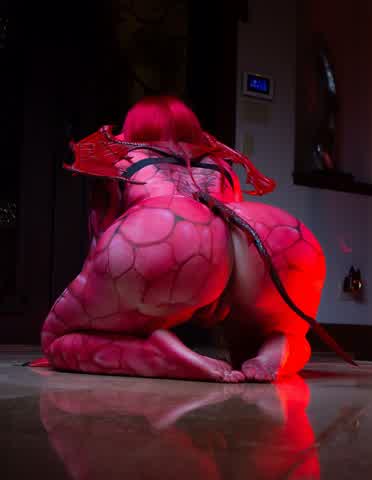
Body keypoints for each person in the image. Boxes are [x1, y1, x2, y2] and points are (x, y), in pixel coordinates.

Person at [33, 96, 334, 382]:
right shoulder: (222, 162)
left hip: (167, 233)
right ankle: (277, 346)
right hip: (269, 232)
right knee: (287, 333)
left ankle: (155, 355)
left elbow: (104, 232)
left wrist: (101, 291)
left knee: (58, 339)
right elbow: (230, 226)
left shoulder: (121, 154)